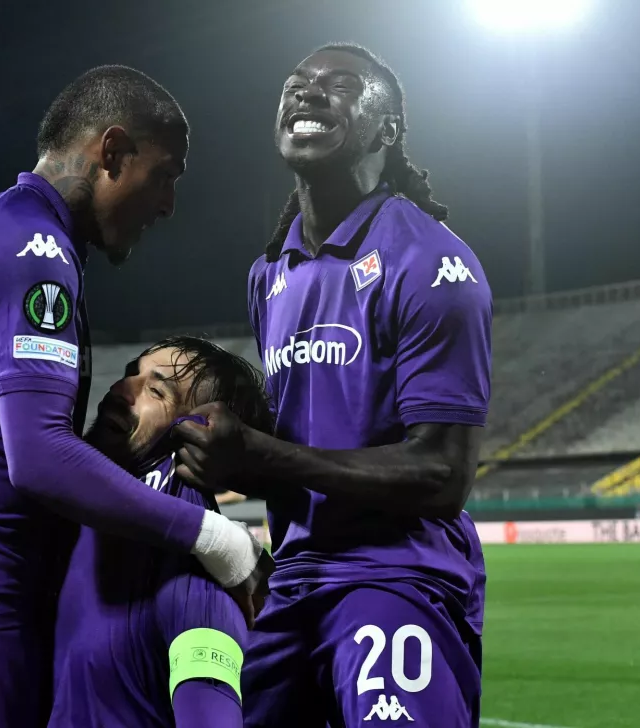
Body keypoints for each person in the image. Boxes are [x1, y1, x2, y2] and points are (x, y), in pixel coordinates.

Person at [0, 65, 267, 728]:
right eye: (165, 175)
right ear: (113, 151)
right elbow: (37, 457)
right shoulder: (34, 248)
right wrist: (219, 540)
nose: (168, 204)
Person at [172, 44, 491, 727]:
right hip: (291, 582)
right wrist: (221, 459)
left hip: (395, 577)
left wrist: (258, 457)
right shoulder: (270, 274)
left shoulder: (431, 263)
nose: (308, 95)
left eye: (339, 86)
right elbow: (300, 451)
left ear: (388, 129)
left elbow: (443, 473)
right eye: (297, 85)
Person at [49, 335, 273, 727]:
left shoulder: (195, 579)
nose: (122, 390)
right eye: (130, 373)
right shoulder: (82, 529)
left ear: (200, 436)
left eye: (156, 390)